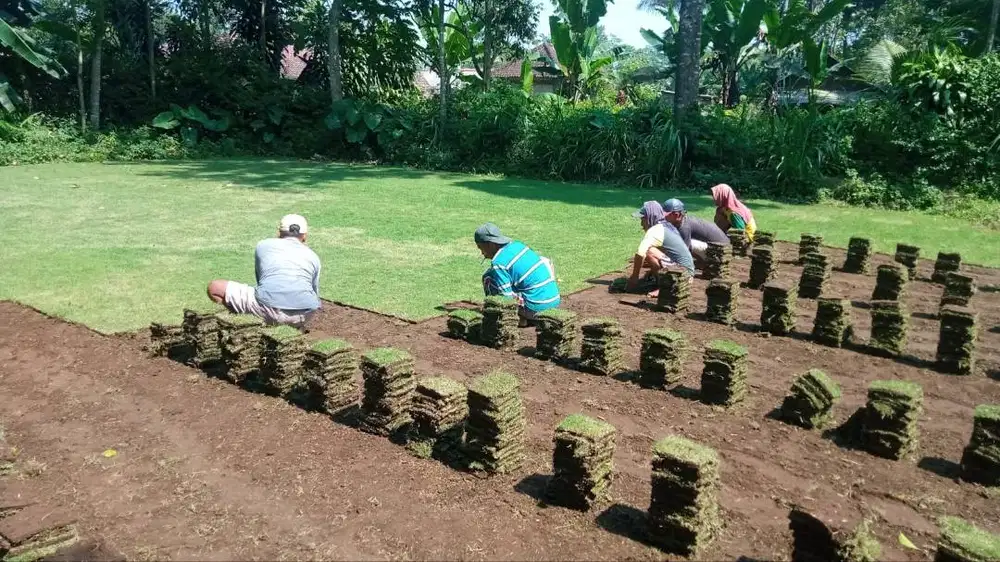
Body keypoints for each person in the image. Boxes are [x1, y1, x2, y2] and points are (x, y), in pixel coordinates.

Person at [207, 214, 321, 328]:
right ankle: (296, 326)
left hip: (268, 309)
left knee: (215, 287)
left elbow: (260, 280)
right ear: (305, 236)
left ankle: (238, 324)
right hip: (304, 315)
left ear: (279, 233)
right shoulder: (314, 257)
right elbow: (314, 292)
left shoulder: (263, 245)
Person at [475, 222, 560, 323]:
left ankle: (511, 318)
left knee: (488, 277)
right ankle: (525, 316)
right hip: (554, 301)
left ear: (490, 244)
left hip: (537, 308)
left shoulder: (499, 263)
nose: (482, 253)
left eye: (481, 248)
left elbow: (505, 298)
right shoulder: (517, 245)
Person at [627, 201, 694, 294]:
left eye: (643, 219)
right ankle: (661, 282)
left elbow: (640, 253)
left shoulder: (655, 230)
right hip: (688, 274)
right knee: (653, 250)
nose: (641, 224)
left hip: (681, 277)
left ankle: (665, 287)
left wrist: (634, 278)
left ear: (650, 217)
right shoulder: (668, 226)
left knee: (648, 251)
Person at [662, 198, 730, 266]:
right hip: (718, 246)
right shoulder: (683, 220)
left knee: (683, 244)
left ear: (677, 215)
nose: (664, 217)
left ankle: (705, 262)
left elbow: (683, 250)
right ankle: (702, 262)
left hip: (721, 250)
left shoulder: (684, 227)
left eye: (667, 215)